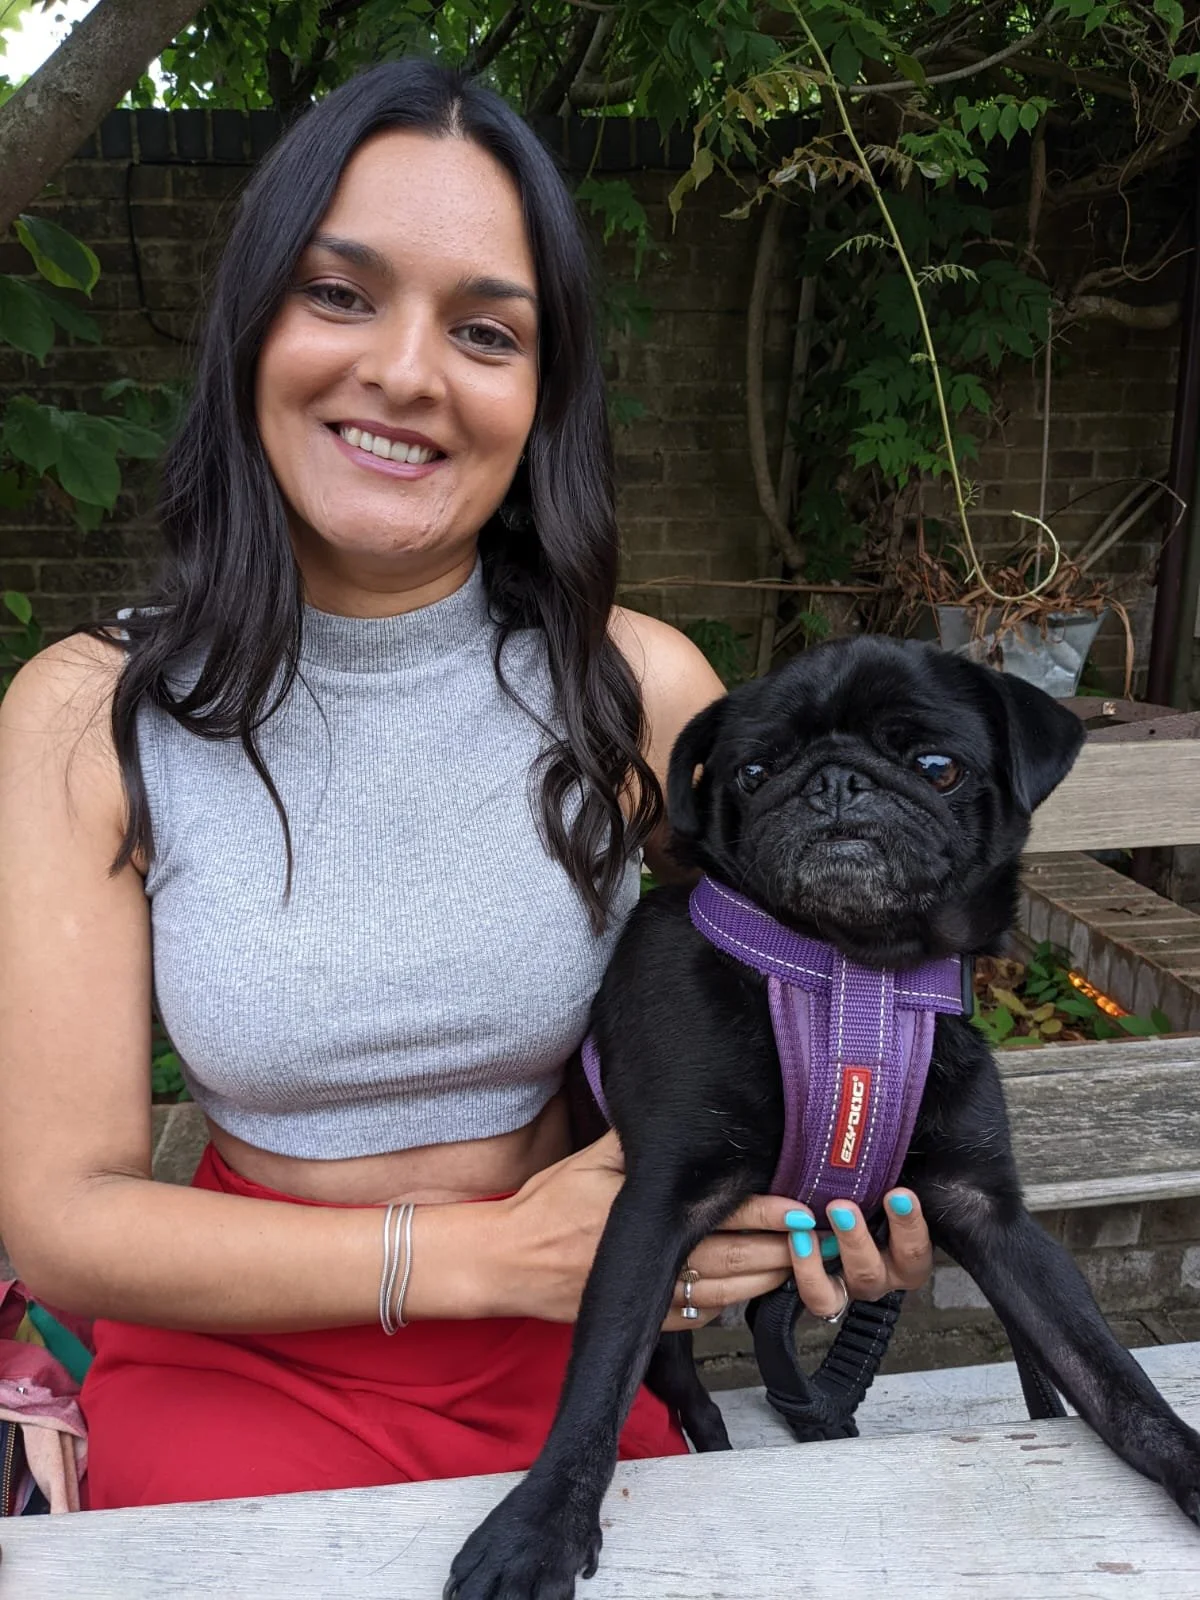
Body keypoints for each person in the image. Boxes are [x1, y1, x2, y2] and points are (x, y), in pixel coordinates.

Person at [0, 60, 934, 1511]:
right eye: (341, 294)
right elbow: (62, 1218)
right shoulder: (88, 715)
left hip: (579, 1341)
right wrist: (476, 1254)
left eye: (486, 329)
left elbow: (821, 1016)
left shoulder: (642, 694)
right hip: (242, 1354)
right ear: (251, 324)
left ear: (540, 391)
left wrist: (850, 1183)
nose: (410, 371)